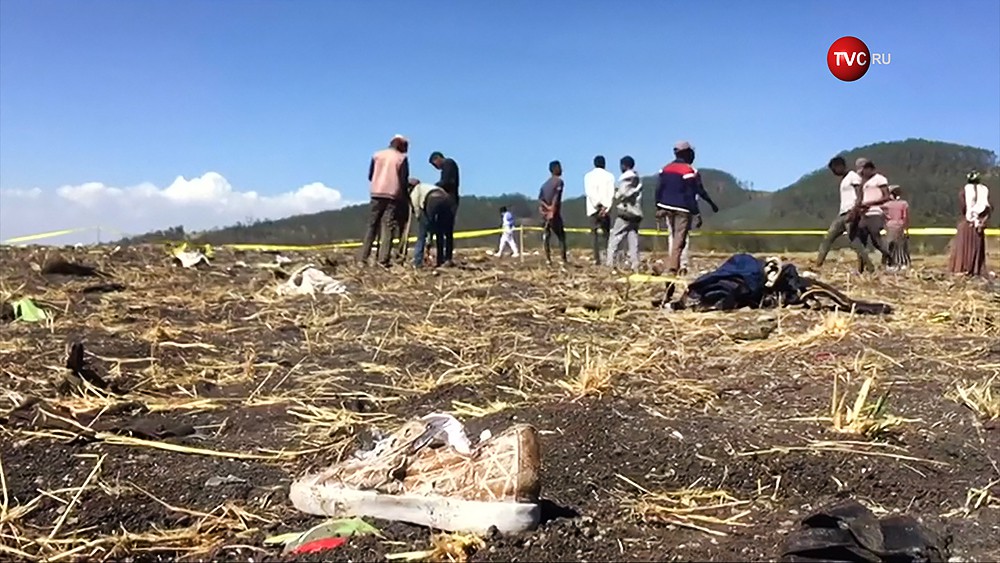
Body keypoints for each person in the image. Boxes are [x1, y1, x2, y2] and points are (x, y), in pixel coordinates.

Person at [654, 141, 718, 275]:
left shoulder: (665, 169)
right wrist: (699, 211)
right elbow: (693, 192)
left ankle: (671, 264)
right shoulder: (689, 171)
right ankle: (674, 267)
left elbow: (659, 189)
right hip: (683, 209)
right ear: (688, 153)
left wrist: (658, 205)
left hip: (666, 207)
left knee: (672, 236)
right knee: (680, 239)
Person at [359, 135, 410, 268]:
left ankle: (362, 258)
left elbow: (370, 175)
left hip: (376, 193)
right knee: (387, 227)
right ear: (401, 146)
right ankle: (383, 260)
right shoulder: (401, 158)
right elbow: (403, 180)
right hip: (392, 195)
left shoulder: (377, 155)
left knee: (371, 226)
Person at [815, 156, 869, 269]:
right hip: (842, 213)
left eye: (834, 169)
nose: (834, 172)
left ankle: (869, 265)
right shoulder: (844, 180)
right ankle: (818, 264)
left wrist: (855, 211)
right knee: (828, 238)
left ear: (840, 166)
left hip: (851, 212)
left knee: (854, 241)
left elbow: (860, 194)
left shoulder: (853, 176)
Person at [948, 170, 992, 276]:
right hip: (979, 224)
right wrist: (981, 221)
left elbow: (963, 207)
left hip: (967, 222)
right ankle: (975, 269)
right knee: (977, 246)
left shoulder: (964, 191)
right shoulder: (984, 191)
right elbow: (988, 209)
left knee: (963, 246)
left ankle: (962, 268)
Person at [853, 158, 892, 271]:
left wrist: (870, 203)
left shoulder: (879, 179)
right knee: (861, 241)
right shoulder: (862, 182)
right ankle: (861, 268)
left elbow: (886, 197)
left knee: (876, 239)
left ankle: (890, 259)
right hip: (863, 214)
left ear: (870, 169)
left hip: (875, 212)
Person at [606, 156, 643, 271]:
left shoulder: (627, 178)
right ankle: (635, 264)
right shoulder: (638, 178)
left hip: (626, 212)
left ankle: (610, 263)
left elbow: (622, 193)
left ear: (624, 165)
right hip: (636, 213)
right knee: (633, 239)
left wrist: (615, 195)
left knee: (615, 238)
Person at [408, 178, 455, 268]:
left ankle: (417, 262)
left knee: (422, 233)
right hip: (446, 198)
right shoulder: (428, 186)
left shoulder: (416, 190)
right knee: (440, 231)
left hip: (432, 199)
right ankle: (440, 260)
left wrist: (420, 220)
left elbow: (416, 208)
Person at [584, 155, 615, 265]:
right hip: (605, 210)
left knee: (594, 235)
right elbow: (611, 193)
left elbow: (589, 192)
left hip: (593, 208)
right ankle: (608, 258)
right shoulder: (610, 176)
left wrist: (597, 204)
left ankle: (597, 259)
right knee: (606, 235)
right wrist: (605, 207)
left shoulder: (588, 176)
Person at [538, 160, 568, 266]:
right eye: (559, 167)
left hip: (545, 214)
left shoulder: (544, 185)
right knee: (561, 236)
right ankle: (563, 259)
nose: (561, 169)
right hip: (554, 214)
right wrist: (552, 209)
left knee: (547, 236)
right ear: (555, 169)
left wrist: (546, 208)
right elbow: (556, 196)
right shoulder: (559, 182)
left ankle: (548, 259)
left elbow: (540, 199)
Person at [882, 185, 911, 271]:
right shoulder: (904, 204)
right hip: (900, 226)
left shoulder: (886, 205)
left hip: (889, 226)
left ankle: (889, 263)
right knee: (900, 246)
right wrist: (906, 228)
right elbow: (905, 217)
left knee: (889, 245)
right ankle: (902, 263)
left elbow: (883, 217)